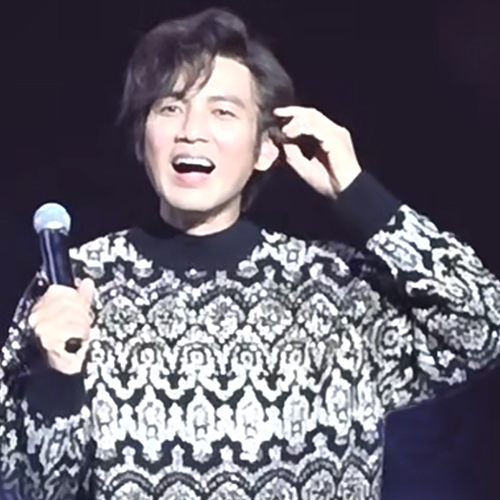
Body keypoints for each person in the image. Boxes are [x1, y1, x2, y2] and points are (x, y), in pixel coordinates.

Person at [1, 7, 500, 500]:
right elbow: (25, 486)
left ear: (266, 148)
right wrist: (55, 380)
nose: (191, 130)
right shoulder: (75, 283)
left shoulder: (336, 285)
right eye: (170, 107)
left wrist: (355, 191)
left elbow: (482, 325)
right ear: (142, 138)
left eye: (222, 111)